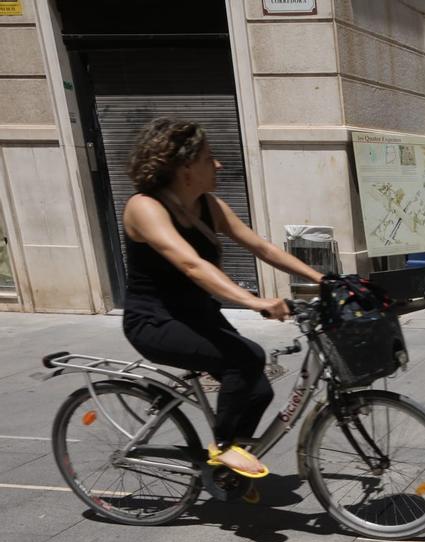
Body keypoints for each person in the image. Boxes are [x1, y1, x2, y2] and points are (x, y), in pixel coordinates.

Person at [121, 118, 325, 478]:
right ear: (185, 167)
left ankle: (228, 470)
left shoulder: (208, 205)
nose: (218, 164)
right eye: (209, 158)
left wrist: (323, 279)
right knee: (246, 359)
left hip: (198, 316)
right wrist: (256, 301)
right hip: (153, 321)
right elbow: (191, 265)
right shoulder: (145, 207)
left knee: (259, 389)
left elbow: (262, 247)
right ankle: (224, 448)